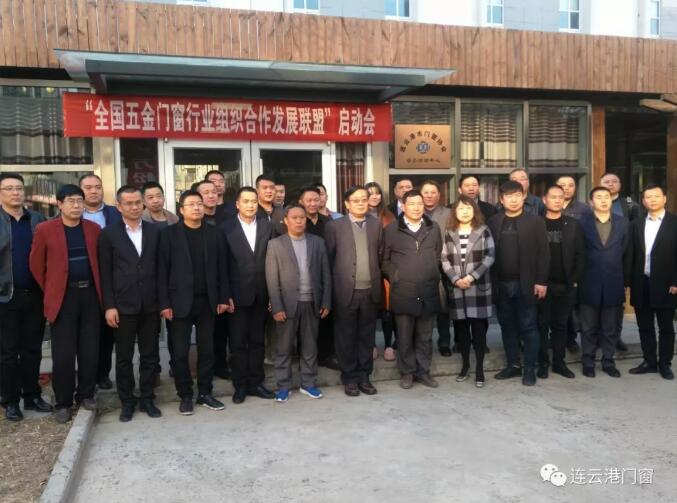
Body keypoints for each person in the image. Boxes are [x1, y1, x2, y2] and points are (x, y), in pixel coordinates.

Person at [29, 184, 102, 423]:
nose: (76, 205)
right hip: (63, 297)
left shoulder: (93, 229)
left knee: (90, 349)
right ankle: (63, 402)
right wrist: (53, 288)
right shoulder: (45, 229)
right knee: (63, 354)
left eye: (80, 201)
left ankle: (86, 394)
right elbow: (36, 266)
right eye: (71, 201)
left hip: (90, 296)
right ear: (59, 204)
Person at [158, 190, 230, 415]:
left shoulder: (215, 233)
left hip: (208, 301)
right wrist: (164, 303)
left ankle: (205, 393)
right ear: (181, 210)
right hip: (178, 302)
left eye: (199, 203)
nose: (197, 207)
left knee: (207, 350)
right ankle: (185, 395)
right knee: (180, 352)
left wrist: (223, 297)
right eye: (191, 204)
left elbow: (223, 268)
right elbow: (161, 271)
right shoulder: (168, 234)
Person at [99, 186, 163, 422]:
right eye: (129, 203)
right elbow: (105, 273)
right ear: (119, 206)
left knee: (150, 354)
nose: (135, 207)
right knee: (124, 357)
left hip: (150, 304)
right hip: (122, 305)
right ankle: (127, 401)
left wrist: (163, 302)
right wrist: (109, 306)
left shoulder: (155, 231)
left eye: (138, 202)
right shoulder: (108, 234)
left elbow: (161, 268)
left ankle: (147, 398)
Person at [265, 205, 331, 402]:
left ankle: (308, 384)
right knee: (284, 348)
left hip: (312, 302)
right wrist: (277, 307)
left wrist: (326, 301)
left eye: (302, 217)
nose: (299, 221)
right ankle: (283, 387)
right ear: (286, 221)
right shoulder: (275, 245)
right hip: (286, 305)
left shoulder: (317, 242)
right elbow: (271, 279)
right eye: (294, 217)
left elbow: (326, 275)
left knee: (310, 346)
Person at [488, 180, 549, 386]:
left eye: (517, 195)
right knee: (507, 327)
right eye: (509, 196)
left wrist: (541, 281)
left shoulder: (535, 222)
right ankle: (513, 365)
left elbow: (544, 254)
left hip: (527, 284)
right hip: (502, 284)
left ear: (523, 197)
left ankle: (529, 368)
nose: (513, 200)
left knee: (529, 326)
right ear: (501, 199)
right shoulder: (494, 221)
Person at [0, 173, 50, 422]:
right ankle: (10, 400)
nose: (15, 192)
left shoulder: (37, 220)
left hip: (35, 296)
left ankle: (32, 395)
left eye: (19, 188)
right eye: (9, 188)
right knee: (8, 353)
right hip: (5, 297)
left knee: (32, 350)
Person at [325, 186, 383, 397]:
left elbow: (380, 254)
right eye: (355, 200)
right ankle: (349, 378)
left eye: (364, 199)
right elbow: (328, 260)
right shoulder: (334, 227)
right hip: (345, 292)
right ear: (347, 204)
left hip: (370, 290)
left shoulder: (376, 225)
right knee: (346, 337)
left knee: (367, 337)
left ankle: (365, 377)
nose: (360, 203)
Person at [382, 189, 442, 390]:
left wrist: (432, 273)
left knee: (425, 336)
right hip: (403, 291)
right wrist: (396, 276)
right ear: (404, 206)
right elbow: (384, 260)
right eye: (412, 204)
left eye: (420, 204)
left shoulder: (433, 228)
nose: (416, 208)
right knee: (405, 336)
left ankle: (423, 372)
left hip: (428, 290)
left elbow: (438, 255)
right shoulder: (392, 229)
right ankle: (407, 372)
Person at [221, 187, 275, 404]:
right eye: (246, 201)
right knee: (237, 343)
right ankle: (240, 385)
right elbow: (221, 265)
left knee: (257, 342)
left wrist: (273, 294)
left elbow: (273, 262)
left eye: (254, 201)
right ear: (237, 204)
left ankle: (256, 383)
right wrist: (225, 295)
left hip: (261, 294)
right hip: (236, 297)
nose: (251, 205)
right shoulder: (225, 228)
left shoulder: (267, 226)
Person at [441, 196, 494, 388]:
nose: (465, 212)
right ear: (455, 212)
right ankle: (465, 366)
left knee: (479, 331)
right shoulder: (449, 232)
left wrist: (471, 277)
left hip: (478, 288)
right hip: (457, 288)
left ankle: (479, 369)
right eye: (461, 209)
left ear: (475, 211)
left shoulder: (483, 230)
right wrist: (455, 279)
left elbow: (490, 256)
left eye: (468, 208)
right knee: (461, 331)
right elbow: (444, 259)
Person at [578, 186, 629, 378]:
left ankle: (608, 361)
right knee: (588, 327)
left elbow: (627, 253)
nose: (603, 200)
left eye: (606, 196)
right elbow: (578, 252)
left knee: (610, 328)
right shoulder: (581, 223)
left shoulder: (623, 223)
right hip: (588, 282)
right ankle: (588, 361)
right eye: (598, 197)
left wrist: (626, 280)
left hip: (614, 282)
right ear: (591, 202)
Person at [627, 184, 677, 380]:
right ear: (643, 201)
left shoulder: (674, 223)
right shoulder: (636, 224)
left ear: (664, 199)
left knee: (666, 327)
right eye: (648, 197)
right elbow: (631, 254)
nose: (652, 200)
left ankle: (665, 363)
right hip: (641, 282)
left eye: (656, 196)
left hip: (667, 285)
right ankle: (649, 361)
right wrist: (628, 281)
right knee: (645, 326)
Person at [536, 185, 585, 380]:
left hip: (565, 284)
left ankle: (559, 363)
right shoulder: (536, 223)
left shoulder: (573, 224)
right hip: (541, 285)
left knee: (561, 326)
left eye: (561, 197)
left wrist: (574, 279)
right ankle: (542, 363)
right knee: (541, 325)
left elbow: (580, 254)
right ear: (544, 199)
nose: (557, 200)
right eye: (553, 197)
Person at [78, 173, 121, 391]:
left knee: (106, 332)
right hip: (84, 279)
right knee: (85, 332)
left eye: (97, 186)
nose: (94, 191)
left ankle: (103, 373)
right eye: (88, 187)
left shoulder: (115, 213)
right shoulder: (72, 213)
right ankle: (86, 375)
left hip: (111, 278)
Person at [141, 181, 178, 381]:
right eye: (150, 197)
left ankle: (176, 366)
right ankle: (153, 369)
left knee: (175, 328)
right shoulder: (140, 221)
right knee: (151, 330)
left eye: (158, 196)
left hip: (172, 281)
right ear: (144, 201)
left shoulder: (174, 219)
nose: (155, 200)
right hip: (149, 282)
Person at [599, 172, 639, 352]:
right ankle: (600, 336)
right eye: (606, 181)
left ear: (620, 185)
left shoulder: (629, 205)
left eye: (614, 181)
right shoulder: (592, 205)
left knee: (617, 303)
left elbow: (635, 232)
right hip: (598, 261)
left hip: (620, 261)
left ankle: (616, 336)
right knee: (598, 302)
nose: (610, 184)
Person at [298, 185, 336, 370]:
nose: (313, 203)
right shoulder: (297, 221)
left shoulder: (329, 222)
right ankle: (305, 359)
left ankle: (325, 356)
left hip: (326, 275)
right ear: (301, 202)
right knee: (305, 324)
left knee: (326, 318)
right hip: (303, 278)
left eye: (316, 199)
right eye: (309, 200)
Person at [555, 175, 590, 354]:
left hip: (574, 263)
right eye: (562, 185)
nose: (567, 188)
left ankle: (571, 339)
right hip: (555, 263)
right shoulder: (549, 206)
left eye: (571, 185)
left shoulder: (584, 209)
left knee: (572, 306)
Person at [420, 180, 453, 358]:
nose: (429, 196)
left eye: (433, 192)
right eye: (426, 192)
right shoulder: (415, 212)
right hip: (421, 267)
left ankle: (444, 341)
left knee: (443, 307)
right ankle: (422, 343)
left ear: (439, 195)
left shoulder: (448, 214)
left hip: (444, 266)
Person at [365, 182, 396, 362]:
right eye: (370, 194)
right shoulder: (360, 216)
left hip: (386, 270)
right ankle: (371, 345)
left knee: (387, 311)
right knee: (369, 311)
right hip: (367, 269)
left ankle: (389, 345)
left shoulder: (389, 216)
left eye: (377, 193)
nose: (374, 197)